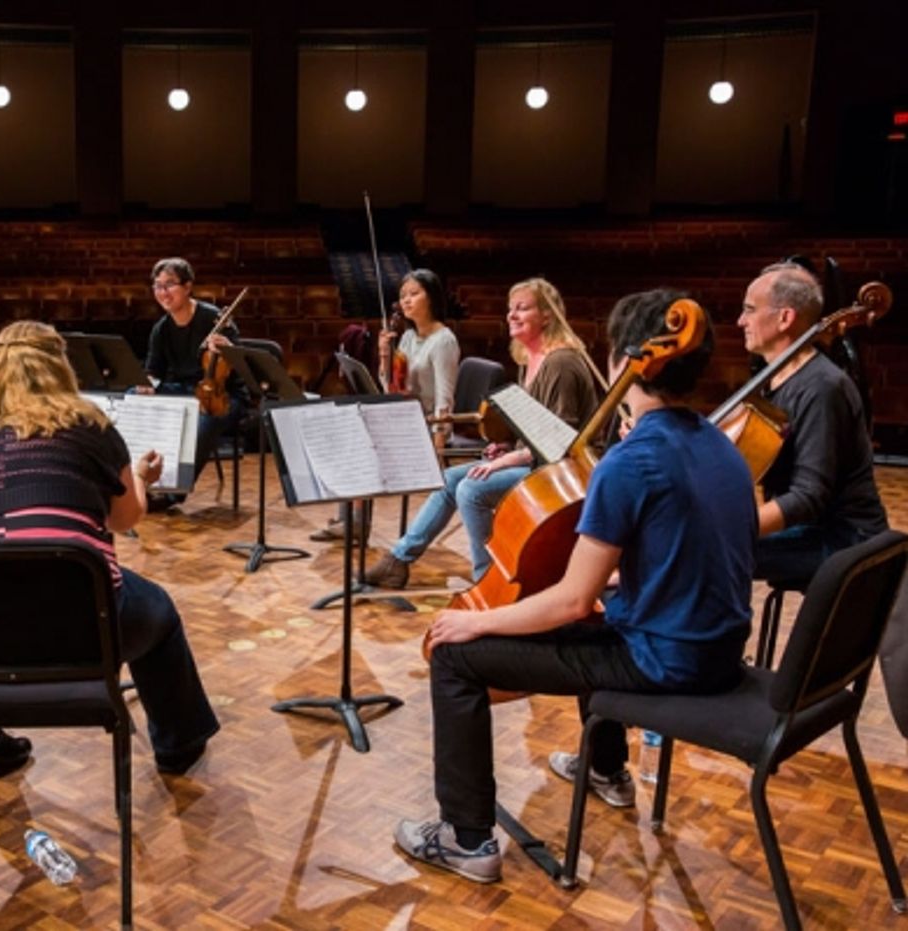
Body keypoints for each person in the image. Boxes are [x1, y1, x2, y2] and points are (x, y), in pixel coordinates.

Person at [393, 289, 756, 884]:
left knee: (456, 655)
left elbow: (570, 600)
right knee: (604, 615)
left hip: (668, 662)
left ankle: (467, 840)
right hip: (717, 649)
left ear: (626, 361)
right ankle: (607, 770)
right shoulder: (720, 442)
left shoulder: (630, 460)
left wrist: (477, 618)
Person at [0, 321, 221, 776]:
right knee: (159, 610)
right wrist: (142, 480)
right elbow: (125, 518)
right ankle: (178, 746)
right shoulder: (88, 428)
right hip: (83, 631)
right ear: (60, 368)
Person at [365, 278, 598, 588]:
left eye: (522, 308)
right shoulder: (530, 359)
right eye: (510, 309)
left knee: (472, 490)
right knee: (449, 480)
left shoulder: (561, 363)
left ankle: (488, 579)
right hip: (539, 461)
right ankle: (398, 560)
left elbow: (558, 443)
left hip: (561, 472)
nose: (512, 315)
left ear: (547, 316)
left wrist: (504, 462)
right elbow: (534, 431)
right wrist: (505, 447)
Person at [738, 262, 887, 583]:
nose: (741, 321)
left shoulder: (822, 387)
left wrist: (727, 528)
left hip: (843, 540)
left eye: (749, 310)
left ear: (785, 318)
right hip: (808, 532)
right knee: (699, 549)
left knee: (707, 553)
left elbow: (809, 497)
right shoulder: (773, 379)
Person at [313, 268, 461, 543]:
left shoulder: (444, 341)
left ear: (432, 297)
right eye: (403, 295)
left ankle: (355, 523)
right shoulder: (407, 337)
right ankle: (350, 519)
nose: (406, 301)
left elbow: (445, 399)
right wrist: (384, 354)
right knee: (352, 430)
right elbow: (388, 386)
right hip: (405, 419)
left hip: (427, 427)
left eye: (414, 294)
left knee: (363, 444)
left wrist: (438, 445)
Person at [141, 257, 245, 494]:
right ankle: (142, 483)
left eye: (169, 285)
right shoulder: (161, 328)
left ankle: (172, 494)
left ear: (188, 287)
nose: (163, 292)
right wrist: (146, 385)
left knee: (203, 422)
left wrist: (228, 348)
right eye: (157, 286)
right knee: (131, 397)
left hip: (224, 396)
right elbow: (153, 371)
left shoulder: (214, 319)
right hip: (184, 393)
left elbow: (241, 366)